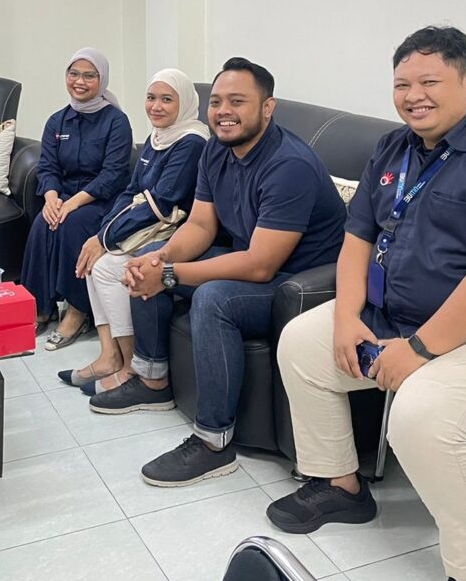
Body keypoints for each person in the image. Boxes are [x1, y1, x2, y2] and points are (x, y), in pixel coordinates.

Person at [268, 27, 466, 581]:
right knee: (302, 344)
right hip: (402, 318)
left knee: (421, 417)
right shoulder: (395, 147)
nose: (414, 96)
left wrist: (419, 350)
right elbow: (358, 237)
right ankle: (340, 484)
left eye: (430, 82)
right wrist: (346, 317)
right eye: (402, 84)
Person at [89, 57, 347, 487]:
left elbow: (261, 265)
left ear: (267, 108)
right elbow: (201, 225)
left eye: (238, 102)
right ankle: (152, 380)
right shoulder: (216, 149)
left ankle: (213, 444)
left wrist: (170, 275)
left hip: (300, 285)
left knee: (212, 298)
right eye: (217, 102)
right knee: (150, 258)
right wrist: (161, 259)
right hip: (252, 261)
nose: (224, 111)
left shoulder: (289, 165)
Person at [60, 69, 208, 391]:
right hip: (148, 226)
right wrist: (101, 234)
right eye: (151, 97)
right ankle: (109, 356)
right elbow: (131, 190)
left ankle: (129, 367)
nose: (156, 106)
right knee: (93, 260)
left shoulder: (191, 142)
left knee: (107, 267)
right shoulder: (159, 136)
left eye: (166, 100)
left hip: (175, 233)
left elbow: (162, 202)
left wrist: (105, 239)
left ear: (184, 103)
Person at [21, 48, 133, 349]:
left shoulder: (116, 121)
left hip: (103, 200)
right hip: (65, 196)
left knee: (73, 224)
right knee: (41, 224)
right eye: (74, 74)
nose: (79, 82)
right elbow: (48, 167)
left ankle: (77, 311)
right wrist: (52, 198)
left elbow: (112, 174)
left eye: (89, 76)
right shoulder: (57, 121)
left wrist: (71, 204)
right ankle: (40, 307)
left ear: (102, 80)